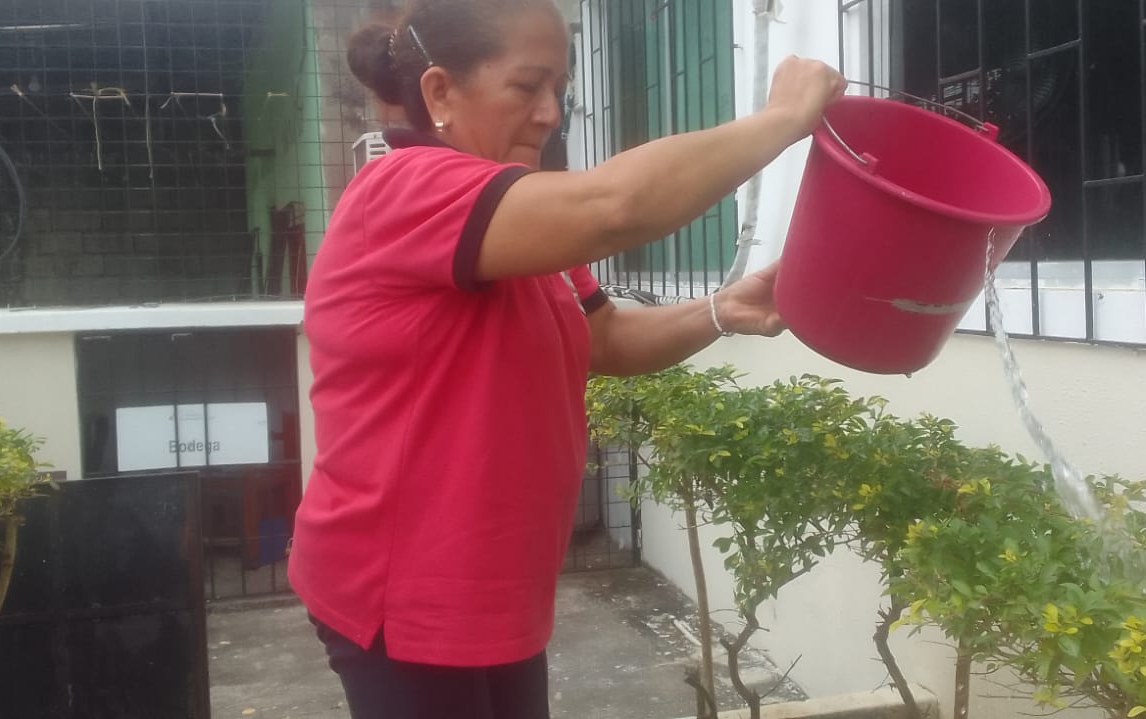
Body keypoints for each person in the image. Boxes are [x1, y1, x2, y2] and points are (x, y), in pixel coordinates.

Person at [287, 1, 845, 717]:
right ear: (440, 92)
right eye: (528, 86)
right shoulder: (403, 190)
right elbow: (615, 207)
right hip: (404, 594)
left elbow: (603, 338)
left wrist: (721, 309)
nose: (551, 113)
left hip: (495, 590)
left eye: (561, 89)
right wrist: (781, 120)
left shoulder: (521, 221)